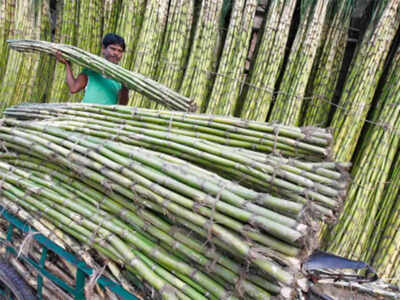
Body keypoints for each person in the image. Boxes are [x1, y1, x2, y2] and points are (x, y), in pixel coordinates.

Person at [56, 33, 129, 105]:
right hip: (85, 113)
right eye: (113, 49)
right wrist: (67, 64)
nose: (116, 53)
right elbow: (74, 88)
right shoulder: (91, 69)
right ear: (103, 49)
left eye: (120, 51)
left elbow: (122, 103)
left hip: (105, 115)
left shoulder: (122, 76)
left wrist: (125, 86)